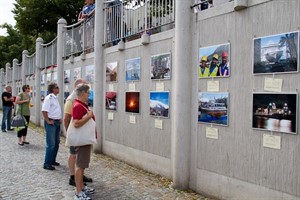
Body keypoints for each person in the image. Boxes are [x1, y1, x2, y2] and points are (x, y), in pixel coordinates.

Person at [64, 79, 93, 187]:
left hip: (81, 136)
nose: (89, 93)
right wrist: (70, 134)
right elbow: (67, 118)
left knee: (80, 163)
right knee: (75, 158)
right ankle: (74, 179)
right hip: (77, 136)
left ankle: (80, 180)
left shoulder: (80, 101)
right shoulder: (71, 101)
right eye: (87, 90)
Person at [72, 84, 95, 200]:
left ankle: (82, 187)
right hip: (82, 140)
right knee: (80, 166)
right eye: (88, 93)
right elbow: (76, 123)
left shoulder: (81, 105)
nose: (89, 95)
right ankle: (78, 192)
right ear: (82, 93)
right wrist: (89, 116)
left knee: (82, 166)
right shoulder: (78, 106)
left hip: (85, 140)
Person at [42, 82, 62, 170]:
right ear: (53, 89)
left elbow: (54, 110)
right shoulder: (49, 98)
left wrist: (59, 118)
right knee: (51, 144)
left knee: (57, 142)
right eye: (57, 87)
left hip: (57, 122)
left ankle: (52, 160)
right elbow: (44, 110)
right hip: (51, 123)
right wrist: (47, 120)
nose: (58, 89)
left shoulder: (55, 98)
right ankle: (47, 163)